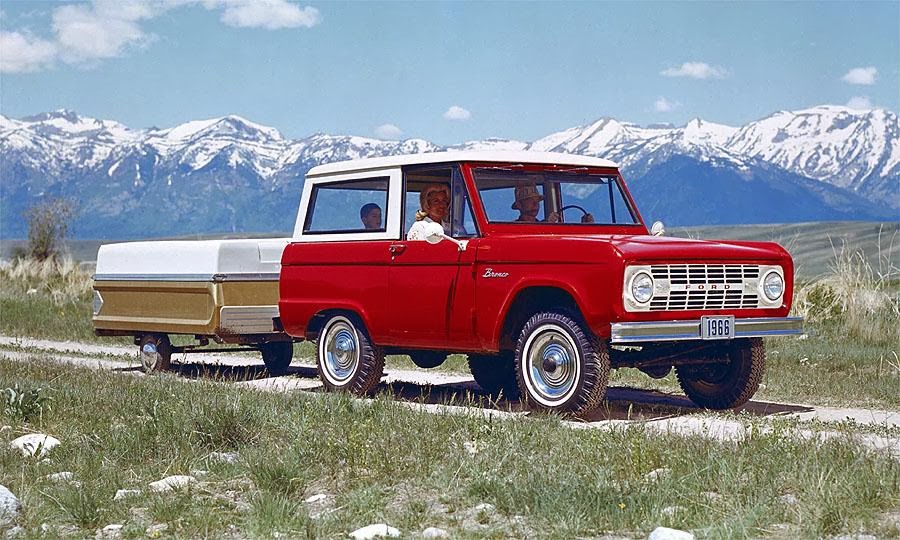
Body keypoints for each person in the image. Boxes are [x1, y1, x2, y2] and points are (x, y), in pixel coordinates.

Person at [512, 182, 594, 223]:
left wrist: (585, 226)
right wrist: (547, 225)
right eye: (530, 201)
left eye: (537, 201)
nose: (535, 204)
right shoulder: (513, 229)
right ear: (519, 205)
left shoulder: (543, 225)